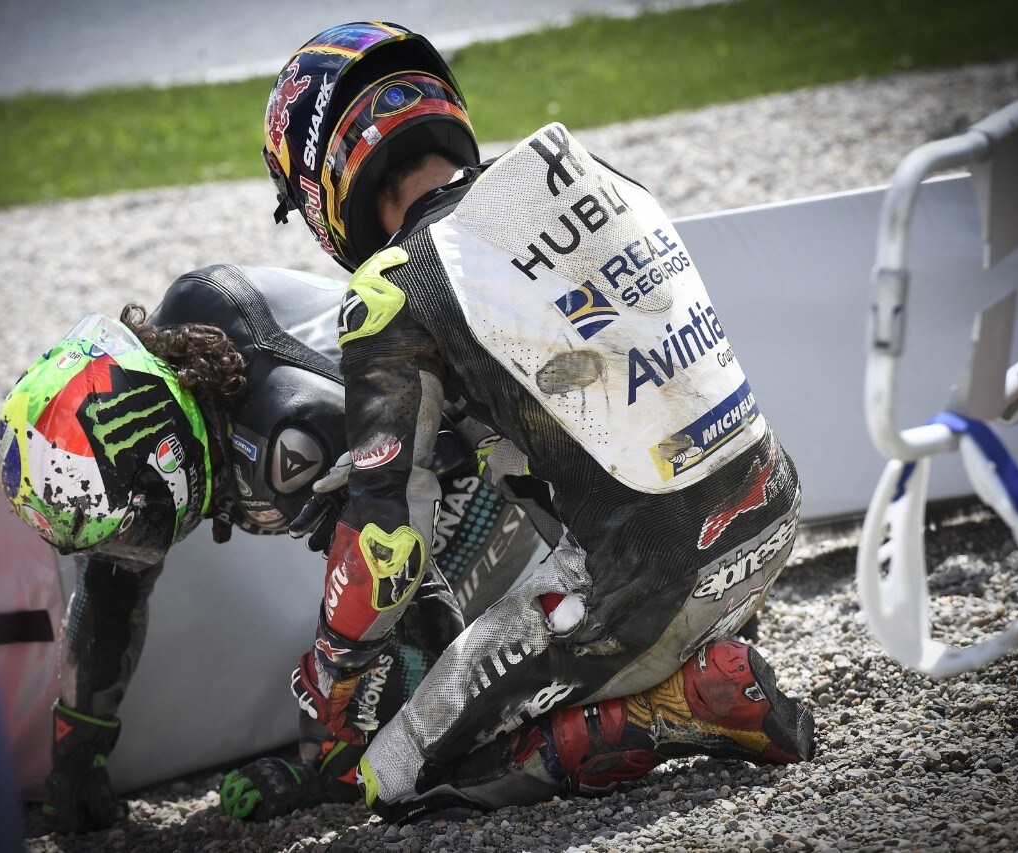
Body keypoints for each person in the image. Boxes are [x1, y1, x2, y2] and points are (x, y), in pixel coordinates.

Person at [256, 21, 816, 821]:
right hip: (774, 512)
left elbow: (387, 547)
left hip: (647, 580)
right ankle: (688, 655)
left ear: (323, 180)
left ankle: (671, 707)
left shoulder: (391, 285)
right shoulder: (591, 175)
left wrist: (331, 678)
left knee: (391, 778)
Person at [0, 263, 546, 832]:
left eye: (129, 532)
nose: (128, 550)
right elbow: (108, 592)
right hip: (399, 479)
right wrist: (77, 745)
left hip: (478, 467)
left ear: (164, 457)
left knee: (372, 731)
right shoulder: (175, 381)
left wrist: (329, 767)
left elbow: (398, 584)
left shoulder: (289, 429)